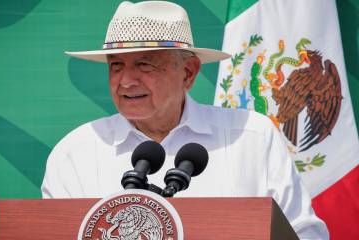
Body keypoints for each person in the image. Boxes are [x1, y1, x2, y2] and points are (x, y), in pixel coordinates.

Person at [41, 1, 329, 239]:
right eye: (116, 66)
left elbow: (305, 233)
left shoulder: (251, 136)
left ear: (188, 73)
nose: (126, 81)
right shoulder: (74, 153)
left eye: (144, 64)